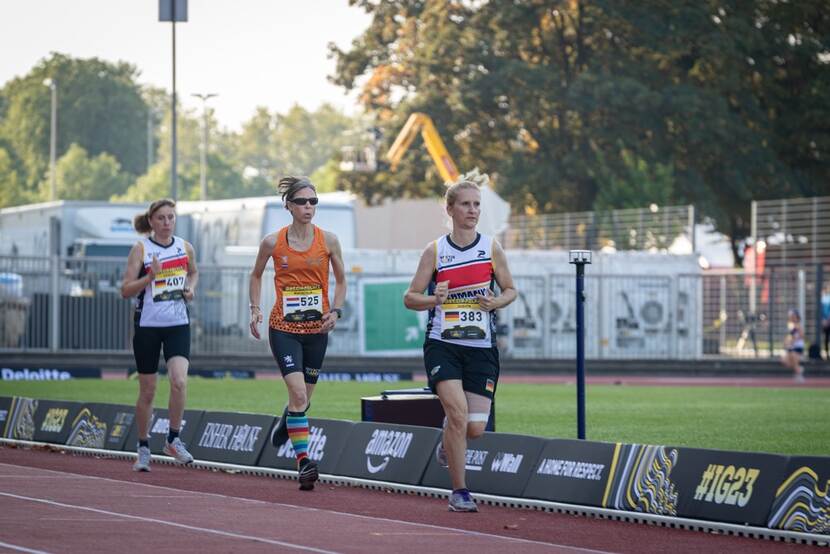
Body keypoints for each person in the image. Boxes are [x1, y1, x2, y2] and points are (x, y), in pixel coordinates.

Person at [404, 175, 517, 512]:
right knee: (457, 414)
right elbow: (410, 297)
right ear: (450, 209)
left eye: (477, 204)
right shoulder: (435, 251)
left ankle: (449, 439)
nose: (473, 210)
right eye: (466, 204)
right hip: (443, 344)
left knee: (475, 429)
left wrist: (495, 302)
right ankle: (460, 492)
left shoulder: (491, 247)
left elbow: (511, 289)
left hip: (482, 347)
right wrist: (432, 299)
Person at [249, 176, 346, 491]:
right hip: (284, 329)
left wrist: (336, 311)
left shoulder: (329, 241)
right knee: (300, 395)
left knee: (302, 402)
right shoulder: (272, 242)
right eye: (302, 201)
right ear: (289, 206)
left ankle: (287, 419)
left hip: (317, 331)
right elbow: (256, 274)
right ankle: (304, 462)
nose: (308, 207)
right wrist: (255, 309)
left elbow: (341, 282)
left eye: (313, 201)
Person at [121, 199, 198, 471]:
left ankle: (173, 439)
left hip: (178, 324)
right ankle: (143, 446)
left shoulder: (184, 247)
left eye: (171, 218)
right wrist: (149, 278)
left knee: (179, 381)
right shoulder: (141, 249)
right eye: (162, 218)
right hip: (147, 326)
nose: (167, 223)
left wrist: (190, 289)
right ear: (151, 222)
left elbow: (194, 273)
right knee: (148, 390)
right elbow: (126, 289)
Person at [781, 308, 805, 383]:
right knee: (785, 361)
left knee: (794, 359)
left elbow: (801, 335)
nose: (792, 318)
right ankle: (799, 369)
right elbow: (788, 336)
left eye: (793, 316)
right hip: (791, 347)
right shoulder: (790, 325)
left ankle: (799, 375)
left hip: (798, 347)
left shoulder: (798, 325)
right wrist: (786, 342)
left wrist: (793, 340)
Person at [821, 284, 830, 361]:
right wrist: (824, 320)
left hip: (828, 320)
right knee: (826, 338)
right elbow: (822, 311)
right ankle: (827, 354)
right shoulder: (822, 299)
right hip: (825, 321)